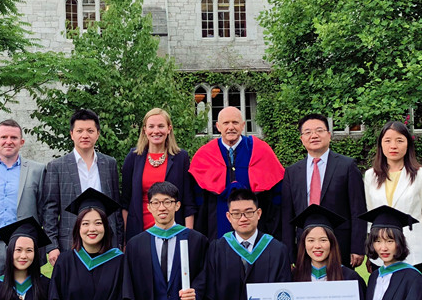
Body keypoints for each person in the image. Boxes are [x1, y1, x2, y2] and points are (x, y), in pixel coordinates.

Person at [282, 114, 367, 268]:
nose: (314, 135)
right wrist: (288, 253)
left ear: (328, 135)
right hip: (305, 246)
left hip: (339, 243)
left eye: (319, 130)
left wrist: (357, 247)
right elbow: (287, 215)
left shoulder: (347, 166)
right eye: (308, 132)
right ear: (302, 139)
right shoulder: (292, 172)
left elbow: (358, 210)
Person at [189, 106, 284, 240]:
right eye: (226, 123)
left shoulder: (260, 150)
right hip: (216, 227)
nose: (231, 127)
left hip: (256, 225)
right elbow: (197, 200)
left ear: (243, 125)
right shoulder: (205, 155)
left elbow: (276, 196)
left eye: (235, 122)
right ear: (218, 126)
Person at [43, 109, 123, 265]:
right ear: (72, 134)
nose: (85, 135)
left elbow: (116, 206)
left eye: (90, 131)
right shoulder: (57, 166)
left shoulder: (109, 164)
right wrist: (52, 246)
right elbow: (50, 209)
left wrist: (120, 240)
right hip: (70, 241)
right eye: (79, 131)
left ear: (97, 134)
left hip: (106, 239)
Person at [0, 119, 46, 283]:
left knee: (24, 292)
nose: (9, 141)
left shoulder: (38, 170)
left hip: (24, 246)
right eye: (4, 137)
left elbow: (43, 210)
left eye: (14, 138)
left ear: (22, 142)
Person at [364, 121, 422, 277]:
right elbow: (371, 218)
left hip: (415, 253)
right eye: (387, 141)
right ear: (381, 144)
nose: (393, 146)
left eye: (399, 140)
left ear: (408, 144)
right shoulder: (371, 176)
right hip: (381, 254)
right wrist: (371, 252)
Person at [121, 108, 197, 242]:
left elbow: (188, 201)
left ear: (169, 129)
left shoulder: (181, 158)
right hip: (139, 233)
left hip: (174, 233)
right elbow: (125, 202)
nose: (156, 131)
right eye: (151, 126)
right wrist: (125, 239)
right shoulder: (133, 157)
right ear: (145, 130)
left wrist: (188, 237)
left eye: (161, 126)